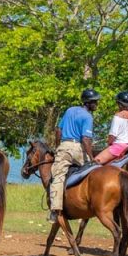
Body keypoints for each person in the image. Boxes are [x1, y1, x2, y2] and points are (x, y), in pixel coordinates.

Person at [48, 89, 100, 223]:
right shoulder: (88, 117)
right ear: (88, 103)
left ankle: (55, 210)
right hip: (79, 149)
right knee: (91, 172)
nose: (96, 104)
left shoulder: (70, 110)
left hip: (65, 146)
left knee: (58, 176)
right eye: (94, 102)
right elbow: (86, 140)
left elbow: (58, 130)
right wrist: (91, 158)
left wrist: (58, 146)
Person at [93, 91, 128, 164]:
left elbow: (112, 136)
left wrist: (109, 144)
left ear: (120, 104)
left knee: (95, 162)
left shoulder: (118, 116)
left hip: (120, 147)